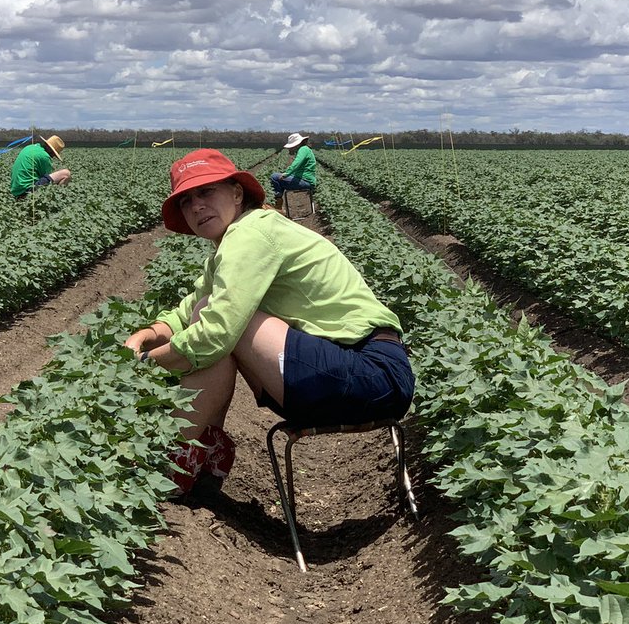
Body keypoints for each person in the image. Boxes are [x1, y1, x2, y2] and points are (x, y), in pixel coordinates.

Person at [124, 149, 414, 495]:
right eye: (186, 201)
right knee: (208, 311)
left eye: (206, 192)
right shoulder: (237, 240)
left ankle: (170, 461)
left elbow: (215, 331)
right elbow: (192, 307)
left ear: (237, 193)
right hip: (348, 378)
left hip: (370, 375)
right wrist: (150, 333)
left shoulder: (251, 233)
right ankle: (197, 454)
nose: (196, 206)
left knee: (223, 327)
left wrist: (144, 365)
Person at [10, 134, 71, 199]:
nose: (53, 156)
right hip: (28, 191)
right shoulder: (44, 156)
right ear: (51, 150)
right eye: (54, 154)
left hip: (16, 191)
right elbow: (47, 181)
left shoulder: (30, 147)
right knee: (66, 173)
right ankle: (58, 198)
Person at [270, 132, 317, 204]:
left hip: (305, 181)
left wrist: (287, 174)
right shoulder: (305, 149)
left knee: (274, 177)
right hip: (306, 180)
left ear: (297, 144)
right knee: (279, 178)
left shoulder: (303, 149)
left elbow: (297, 163)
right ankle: (278, 200)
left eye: (291, 146)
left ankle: (278, 202)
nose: (290, 149)